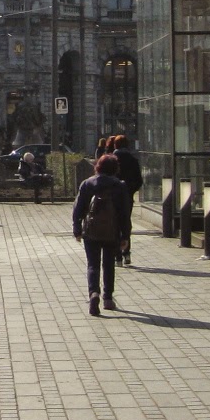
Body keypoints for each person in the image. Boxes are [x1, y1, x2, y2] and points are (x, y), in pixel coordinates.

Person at [73, 153, 133, 315]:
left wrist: (77, 229)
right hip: (112, 232)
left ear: (98, 166)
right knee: (108, 264)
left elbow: (78, 209)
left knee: (93, 264)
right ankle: (107, 298)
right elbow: (124, 214)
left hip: (90, 232)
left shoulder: (87, 184)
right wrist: (125, 235)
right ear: (115, 168)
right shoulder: (119, 186)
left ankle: (94, 293)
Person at [112, 134, 144, 265]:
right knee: (125, 224)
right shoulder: (133, 160)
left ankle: (117, 256)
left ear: (115, 145)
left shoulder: (111, 160)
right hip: (127, 198)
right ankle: (126, 253)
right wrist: (130, 191)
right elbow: (139, 181)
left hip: (112, 198)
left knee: (114, 225)